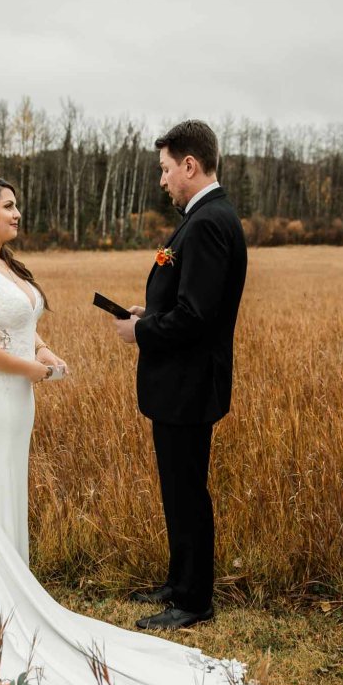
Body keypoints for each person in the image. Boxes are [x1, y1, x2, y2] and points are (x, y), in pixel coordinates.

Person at [0, 175, 315, 685]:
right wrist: (32, 370)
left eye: (16, 203)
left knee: (9, 492)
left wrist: (43, 352)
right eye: (8, 205)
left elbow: (21, 328)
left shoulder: (6, 265)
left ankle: (14, 588)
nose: (18, 211)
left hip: (14, 401)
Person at [114, 120, 246, 632]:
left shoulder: (209, 222)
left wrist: (141, 333)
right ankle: (179, 581)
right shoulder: (205, 216)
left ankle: (193, 600)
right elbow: (190, 302)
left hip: (189, 385)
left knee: (187, 490)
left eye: (166, 170)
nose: (163, 180)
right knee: (178, 487)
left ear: (190, 166)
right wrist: (148, 312)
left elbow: (196, 317)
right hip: (182, 384)